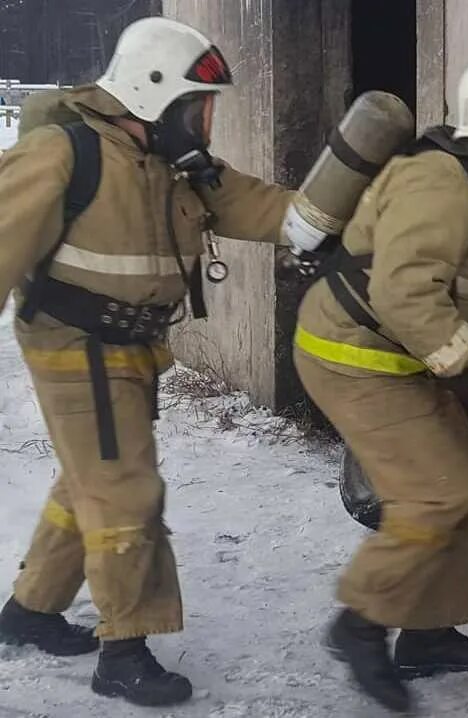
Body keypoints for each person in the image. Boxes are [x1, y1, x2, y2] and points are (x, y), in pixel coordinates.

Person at [0, 17, 293, 706]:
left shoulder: (173, 162)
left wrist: (349, 221)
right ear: (150, 92)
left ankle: (30, 611)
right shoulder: (63, 153)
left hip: (132, 345)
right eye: (199, 105)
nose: (207, 121)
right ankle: (124, 649)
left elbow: (264, 207)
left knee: (89, 483)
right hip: (76, 346)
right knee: (126, 491)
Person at [293, 50, 468, 713]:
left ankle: (428, 635)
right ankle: (360, 621)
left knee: (464, 481)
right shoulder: (444, 182)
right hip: (354, 351)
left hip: (406, 354)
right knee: (436, 492)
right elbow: (402, 294)